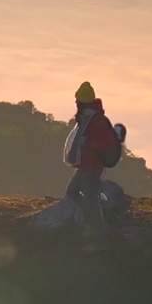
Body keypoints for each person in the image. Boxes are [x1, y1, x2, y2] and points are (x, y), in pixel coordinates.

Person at [63, 81, 118, 248]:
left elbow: (106, 142)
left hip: (93, 167)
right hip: (84, 165)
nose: (76, 103)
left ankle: (100, 237)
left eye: (78, 99)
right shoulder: (86, 118)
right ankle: (94, 218)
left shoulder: (97, 120)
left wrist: (89, 144)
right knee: (73, 192)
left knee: (90, 201)